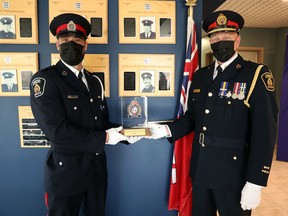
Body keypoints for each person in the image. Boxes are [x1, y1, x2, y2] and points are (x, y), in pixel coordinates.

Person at [149, 10, 278, 216]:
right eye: (215, 38)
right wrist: (166, 130)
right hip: (201, 170)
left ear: (237, 40)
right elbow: (193, 118)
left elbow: (265, 133)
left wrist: (256, 181)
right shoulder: (201, 76)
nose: (221, 42)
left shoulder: (255, 74)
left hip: (234, 175)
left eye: (226, 37)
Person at [30, 13, 137, 216]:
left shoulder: (94, 81)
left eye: (77, 40)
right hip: (66, 173)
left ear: (85, 45)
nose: (71, 44)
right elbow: (56, 132)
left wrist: (126, 133)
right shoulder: (45, 80)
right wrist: (106, 137)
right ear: (57, 44)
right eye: (65, 40)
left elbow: (101, 122)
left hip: (96, 170)